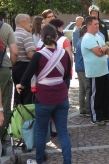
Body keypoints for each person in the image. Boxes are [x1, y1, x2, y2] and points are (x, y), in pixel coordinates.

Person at [16, 24, 72, 164]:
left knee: (40, 132)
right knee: (63, 132)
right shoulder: (64, 54)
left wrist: (20, 85)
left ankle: (39, 160)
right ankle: (67, 161)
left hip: (43, 98)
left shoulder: (38, 55)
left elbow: (28, 74)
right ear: (56, 37)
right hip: (61, 97)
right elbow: (66, 74)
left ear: (41, 38)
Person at [81, 16, 109, 126]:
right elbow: (99, 52)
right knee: (96, 95)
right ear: (89, 25)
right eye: (95, 24)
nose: (97, 26)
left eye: (98, 24)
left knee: (106, 94)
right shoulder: (88, 38)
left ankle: (105, 115)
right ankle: (96, 117)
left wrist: (104, 49)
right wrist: (104, 49)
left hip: (104, 70)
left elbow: (106, 48)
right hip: (95, 71)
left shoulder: (98, 36)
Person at [13, 14, 36, 105]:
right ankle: (28, 118)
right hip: (25, 67)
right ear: (22, 23)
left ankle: (17, 117)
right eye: (29, 21)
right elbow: (31, 54)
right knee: (28, 95)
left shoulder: (13, 34)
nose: (31, 24)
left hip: (15, 67)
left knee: (18, 95)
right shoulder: (26, 35)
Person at [0, 20, 18, 139]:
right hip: (3, 68)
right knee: (5, 105)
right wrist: (11, 66)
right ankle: (1, 137)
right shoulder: (5, 27)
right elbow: (14, 52)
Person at [49, 19, 73, 87]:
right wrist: (69, 70)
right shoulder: (64, 40)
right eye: (61, 27)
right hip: (62, 71)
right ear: (58, 28)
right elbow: (69, 58)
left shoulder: (43, 40)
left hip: (49, 72)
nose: (62, 29)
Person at [75, 25, 91, 117]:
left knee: (82, 90)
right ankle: (88, 109)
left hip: (79, 67)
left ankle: (82, 109)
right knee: (88, 88)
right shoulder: (84, 41)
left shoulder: (79, 41)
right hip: (83, 68)